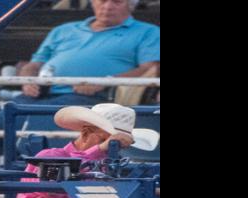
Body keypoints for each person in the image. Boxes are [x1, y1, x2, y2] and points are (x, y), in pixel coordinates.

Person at [8, 0, 158, 154]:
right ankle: (3, 160)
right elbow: (33, 65)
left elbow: (150, 69)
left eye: (117, 1)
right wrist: (28, 81)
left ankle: (36, 162)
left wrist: (104, 82)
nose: (107, 6)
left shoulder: (148, 32)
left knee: (43, 116)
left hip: (96, 98)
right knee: (6, 113)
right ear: (93, 3)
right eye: (102, 0)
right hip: (41, 93)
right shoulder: (63, 30)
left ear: (130, 5)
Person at [5, 102, 155, 198]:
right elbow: (54, 190)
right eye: (107, 142)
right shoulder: (50, 156)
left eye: (117, 146)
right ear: (85, 132)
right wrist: (98, 151)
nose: (111, 150)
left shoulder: (105, 169)